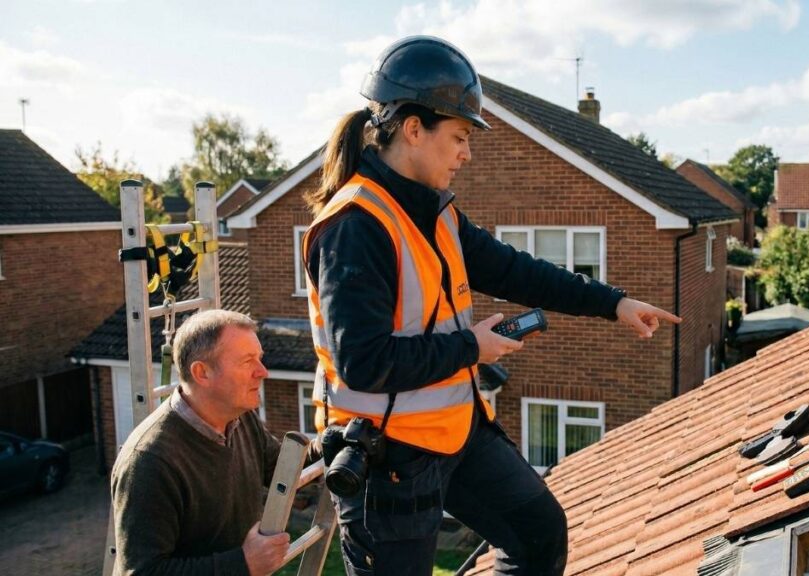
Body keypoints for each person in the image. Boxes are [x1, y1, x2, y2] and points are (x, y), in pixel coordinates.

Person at [302, 35, 681, 576]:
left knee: (538, 535)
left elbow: (516, 270)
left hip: (455, 433)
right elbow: (362, 362)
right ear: (413, 129)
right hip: (389, 462)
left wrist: (613, 303)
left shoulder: (435, 212)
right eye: (458, 136)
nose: (466, 153)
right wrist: (470, 348)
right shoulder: (355, 226)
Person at [110, 310, 289, 576]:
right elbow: (143, 572)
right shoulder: (150, 461)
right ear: (202, 372)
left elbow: (280, 467)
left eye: (259, 359)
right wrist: (243, 564)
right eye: (247, 361)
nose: (263, 372)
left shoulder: (240, 420)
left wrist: (333, 443)